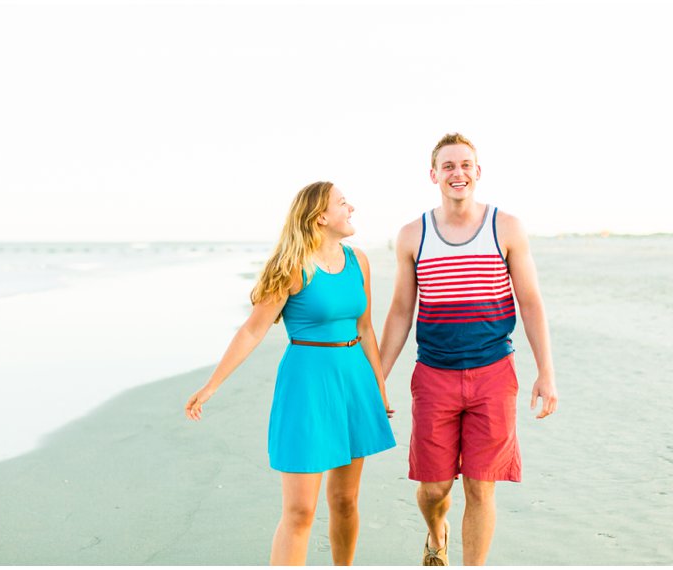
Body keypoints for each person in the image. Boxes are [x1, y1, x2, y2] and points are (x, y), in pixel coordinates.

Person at [185, 181, 396, 566]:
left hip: (354, 382)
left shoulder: (359, 261)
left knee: (346, 501)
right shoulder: (292, 267)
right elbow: (253, 328)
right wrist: (211, 385)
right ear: (321, 217)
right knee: (300, 510)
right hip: (307, 387)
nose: (352, 208)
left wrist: (379, 389)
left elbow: (365, 329)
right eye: (343, 203)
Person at [379, 133, 558, 566]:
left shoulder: (506, 227)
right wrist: (377, 378)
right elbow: (402, 310)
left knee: (481, 486)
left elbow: (530, 302)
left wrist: (546, 372)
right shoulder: (412, 235)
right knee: (434, 488)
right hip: (434, 374)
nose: (457, 173)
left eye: (465, 165)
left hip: (494, 373)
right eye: (448, 166)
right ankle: (436, 532)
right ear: (434, 175)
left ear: (477, 172)